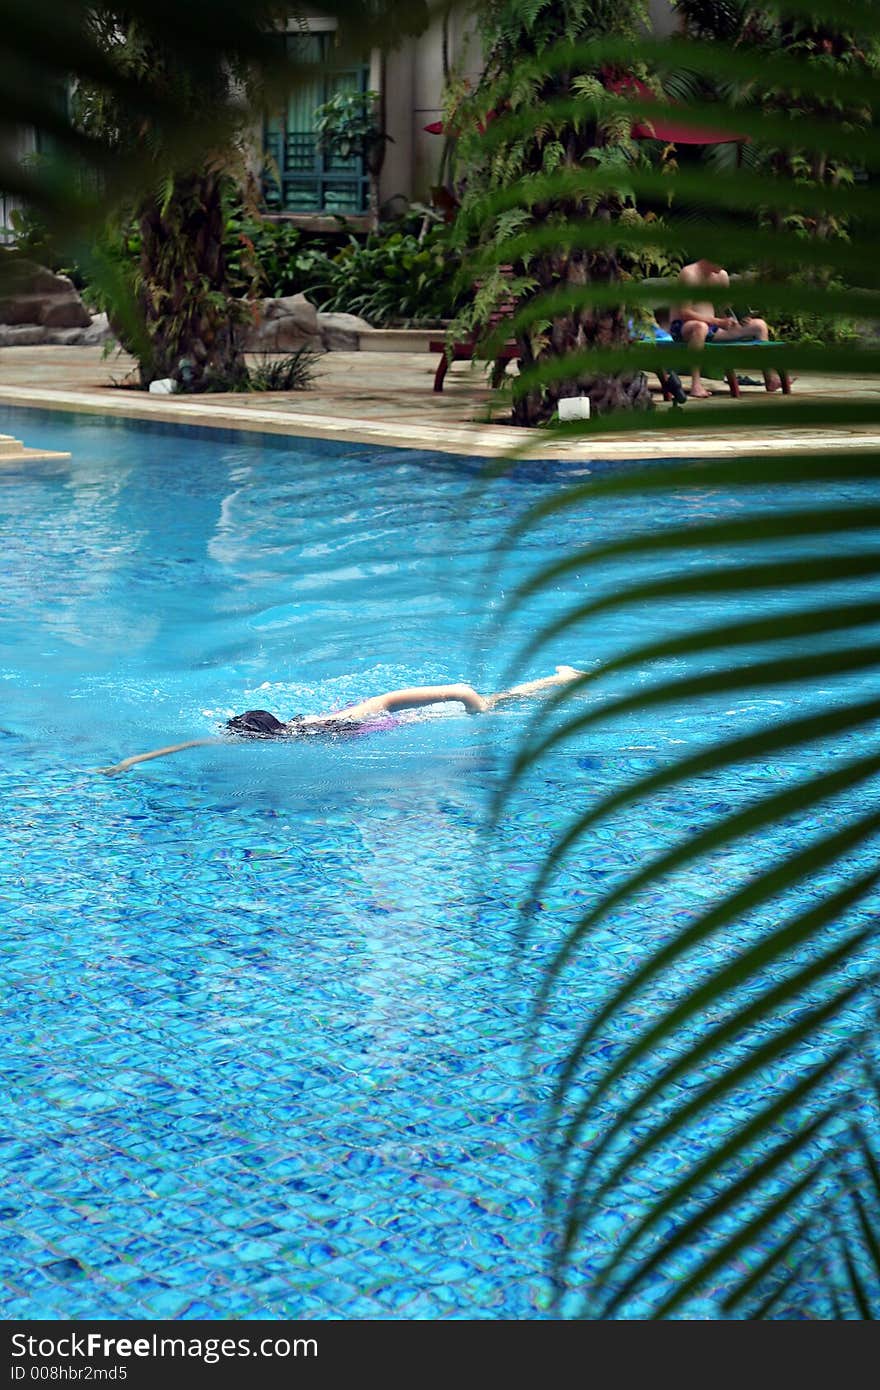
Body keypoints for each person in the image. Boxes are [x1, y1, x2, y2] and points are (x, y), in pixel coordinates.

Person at [95, 666, 584, 775]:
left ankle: (557, 680)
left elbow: (396, 699)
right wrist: (132, 761)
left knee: (495, 701)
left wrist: (470, 705)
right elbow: (195, 746)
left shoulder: (350, 719)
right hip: (335, 728)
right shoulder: (278, 740)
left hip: (398, 725)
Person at [671, 258, 780, 399]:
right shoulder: (689, 274)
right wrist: (717, 321)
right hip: (685, 327)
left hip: (713, 327)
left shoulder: (721, 276)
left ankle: (770, 379)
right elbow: (684, 312)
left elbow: (723, 308)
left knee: (759, 326)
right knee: (701, 327)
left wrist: (737, 319)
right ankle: (696, 385)